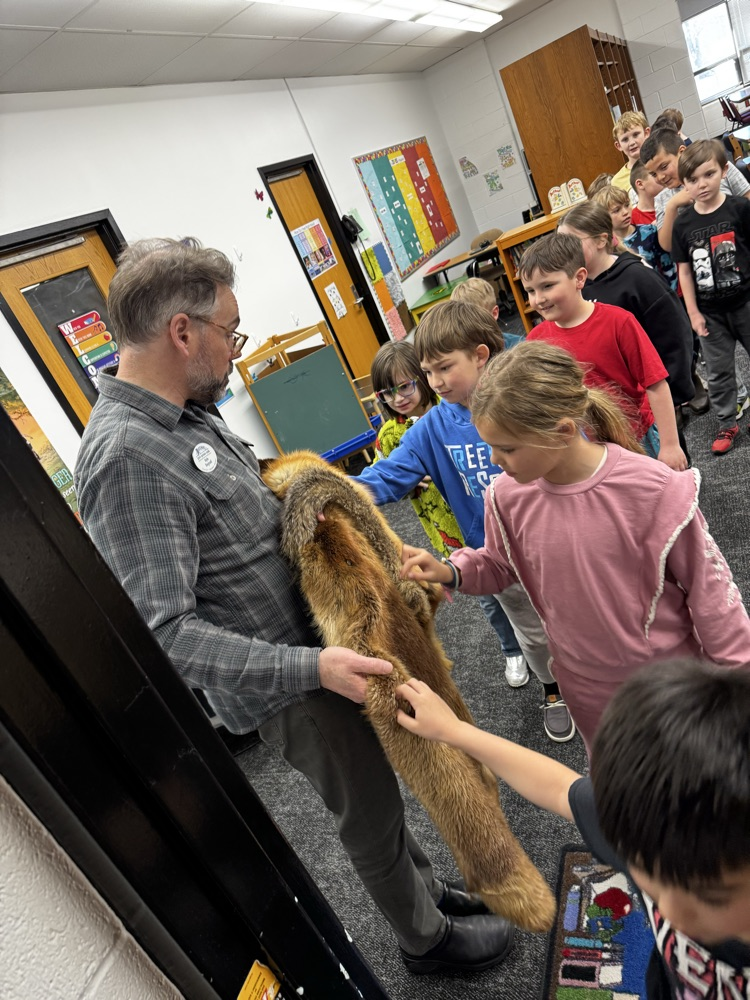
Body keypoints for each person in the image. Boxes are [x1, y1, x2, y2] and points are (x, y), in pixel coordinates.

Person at [74, 237, 515, 976]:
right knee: (367, 813)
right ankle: (423, 942)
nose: (235, 351)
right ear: (183, 332)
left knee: (387, 784)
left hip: (327, 641)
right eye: (230, 331)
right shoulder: (125, 457)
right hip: (296, 680)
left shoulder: (187, 412)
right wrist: (313, 666)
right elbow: (164, 633)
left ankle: (427, 892)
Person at [399, 340, 750, 751]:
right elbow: (501, 563)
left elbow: (714, 601)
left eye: (507, 448)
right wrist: (451, 571)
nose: (494, 460)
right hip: (587, 692)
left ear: (563, 431)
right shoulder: (506, 496)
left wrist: (739, 687)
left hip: (671, 689)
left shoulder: (654, 490)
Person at [394, 658, 750, 999]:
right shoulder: (654, 833)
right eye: (649, 879)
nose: (669, 911)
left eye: (711, 895)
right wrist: (454, 731)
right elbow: (560, 789)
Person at [354, 301, 575, 741]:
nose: (434, 382)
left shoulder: (526, 396)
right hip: (497, 557)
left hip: (559, 543)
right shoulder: (432, 427)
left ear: (479, 355)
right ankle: (553, 690)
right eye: (427, 371)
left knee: (578, 618)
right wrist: (332, 493)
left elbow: (576, 448)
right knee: (532, 636)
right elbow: (385, 476)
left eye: (443, 368)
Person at [522, 231, 688, 470]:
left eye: (547, 286)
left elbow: (656, 383)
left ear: (579, 279)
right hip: (582, 451)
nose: (538, 299)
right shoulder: (535, 342)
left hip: (634, 439)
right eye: (530, 291)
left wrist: (671, 445)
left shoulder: (618, 322)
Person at [558, 201, 693, 461]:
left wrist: (671, 394)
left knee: (669, 472)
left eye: (572, 241)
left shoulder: (637, 278)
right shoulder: (576, 287)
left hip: (650, 405)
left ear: (601, 240)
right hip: (607, 413)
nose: (565, 251)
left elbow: (675, 336)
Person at [671, 139, 750, 455]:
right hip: (710, 314)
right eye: (692, 180)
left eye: (708, 174)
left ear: (724, 170)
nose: (701, 184)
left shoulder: (740, 209)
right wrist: (692, 312)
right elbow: (685, 272)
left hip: (745, 302)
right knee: (718, 372)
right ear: (684, 184)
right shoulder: (683, 223)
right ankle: (727, 423)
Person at [371, 340, 463, 556]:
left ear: (422, 377)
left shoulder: (450, 408)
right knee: (468, 576)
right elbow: (383, 474)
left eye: (404, 386)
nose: (397, 398)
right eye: (387, 393)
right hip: (443, 528)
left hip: (476, 510)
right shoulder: (389, 435)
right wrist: (405, 483)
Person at [640, 127, 750, 253]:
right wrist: (672, 206)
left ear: (681, 152)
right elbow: (668, 245)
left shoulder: (717, 168)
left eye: (664, 167)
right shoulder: (661, 199)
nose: (660, 177)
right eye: (653, 174)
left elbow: (747, 200)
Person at [590, 182, 678, 289]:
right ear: (603, 217)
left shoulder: (650, 232)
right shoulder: (606, 247)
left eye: (627, 205)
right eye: (616, 210)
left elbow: (668, 269)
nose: (625, 212)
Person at [450, 277, 524, 350]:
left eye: (474, 319)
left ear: (494, 313)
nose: (467, 326)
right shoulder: (460, 355)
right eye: (461, 321)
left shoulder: (519, 347)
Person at [611, 110, 650, 203]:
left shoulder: (660, 162)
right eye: (625, 139)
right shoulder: (617, 182)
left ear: (646, 133)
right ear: (618, 145)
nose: (632, 143)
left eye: (636, 134)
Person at [630, 160, 662, 226]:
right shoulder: (631, 220)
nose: (661, 177)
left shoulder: (672, 202)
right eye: (654, 174)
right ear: (640, 184)